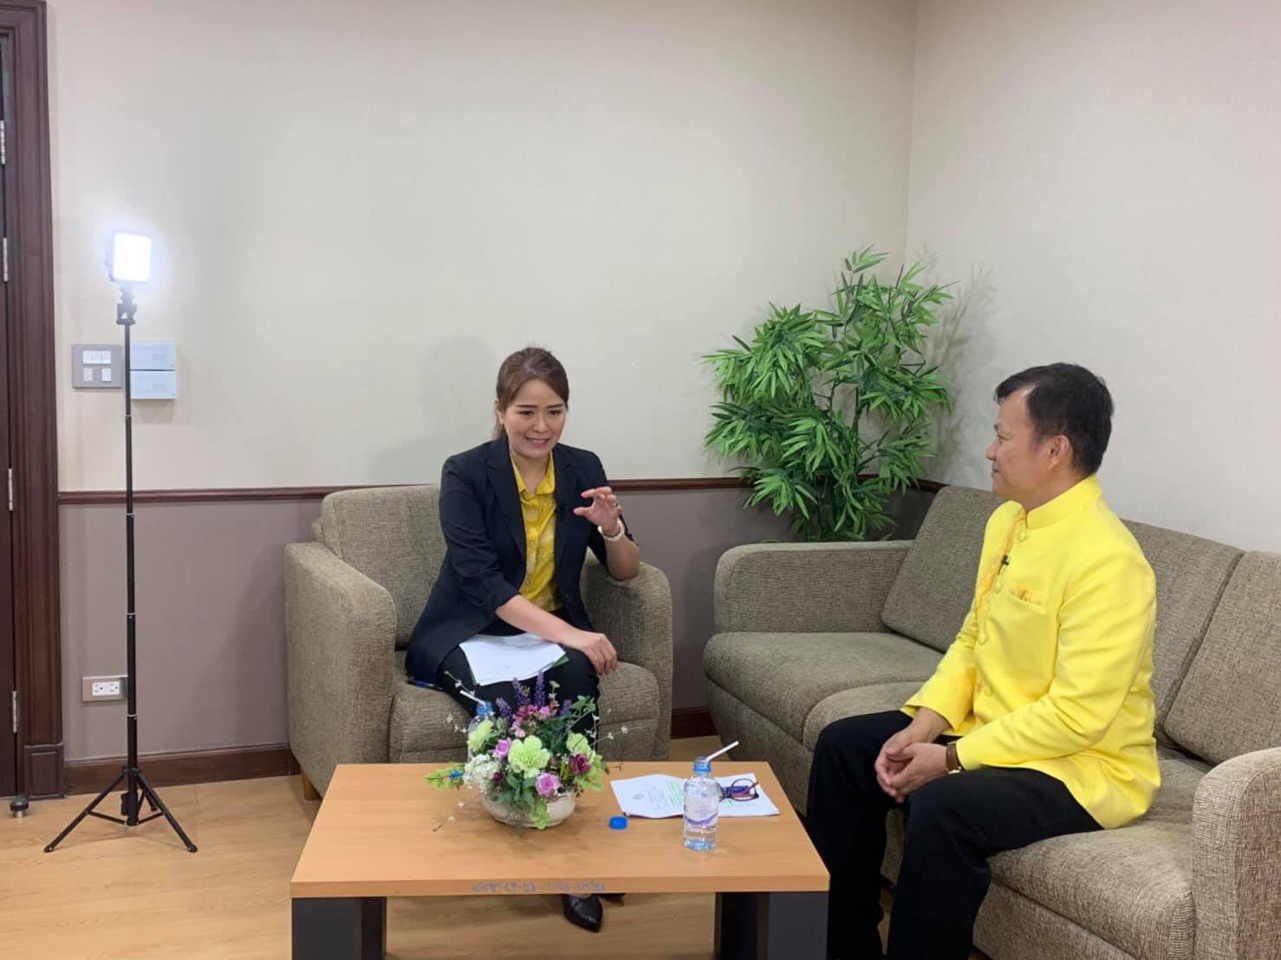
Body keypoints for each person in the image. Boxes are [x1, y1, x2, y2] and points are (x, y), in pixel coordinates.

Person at [805, 363, 1159, 960]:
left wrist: (950, 759)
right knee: (845, 748)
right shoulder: (1008, 521)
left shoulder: (1110, 561)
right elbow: (973, 640)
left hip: (1079, 767)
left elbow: (1077, 717)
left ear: (1054, 449)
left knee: (943, 807)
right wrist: (924, 725)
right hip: (994, 730)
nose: (990, 452)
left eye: (1002, 437)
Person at [406, 345, 641, 933]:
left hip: (547, 632)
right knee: (514, 702)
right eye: (526, 412)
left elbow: (626, 571)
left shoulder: (582, 468)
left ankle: (573, 856)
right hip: (471, 629)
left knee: (578, 681)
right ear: (500, 410)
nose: (541, 426)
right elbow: (483, 584)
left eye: (554, 411)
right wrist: (574, 634)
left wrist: (612, 528)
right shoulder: (465, 472)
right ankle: (516, 842)